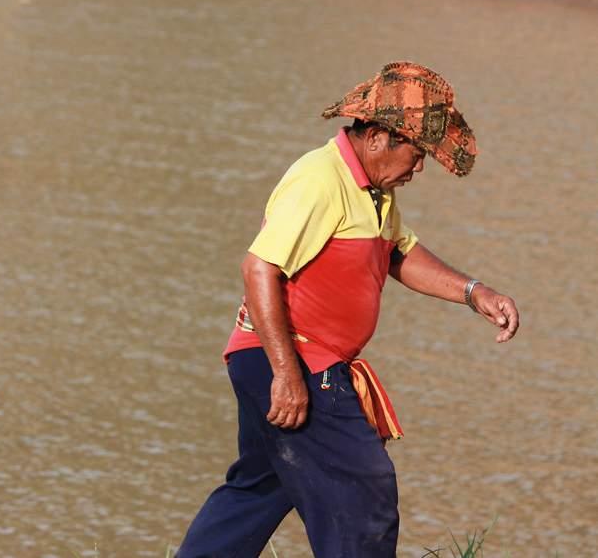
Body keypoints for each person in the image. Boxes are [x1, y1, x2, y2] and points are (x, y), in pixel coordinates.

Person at [175, 62, 520, 558]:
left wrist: (475, 292)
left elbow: (398, 252)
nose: (420, 167)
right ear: (378, 137)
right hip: (295, 359)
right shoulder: (320, 180)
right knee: (363, 493)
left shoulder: (374, 191)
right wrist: (287, 375)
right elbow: (258, 268)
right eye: (417, 153)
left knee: (257, 491)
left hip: (283, 361)